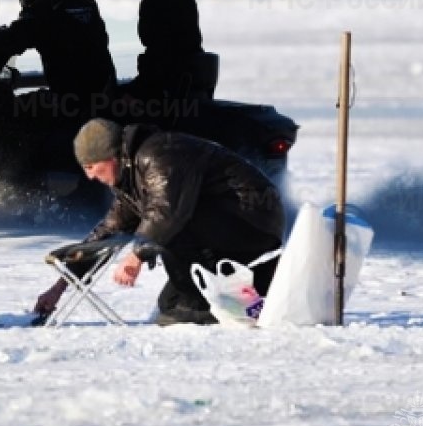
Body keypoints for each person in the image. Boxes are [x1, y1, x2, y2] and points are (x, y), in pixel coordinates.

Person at [34, 118, 284, 325]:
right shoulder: (131, 178)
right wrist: (60, 286)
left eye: (90, 167)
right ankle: (250, 292)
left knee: (173, 241)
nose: (89, 176)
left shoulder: (160, 155)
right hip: (223, 226)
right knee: (171, 306)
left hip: (253, 220)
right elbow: (108, 232)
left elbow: (167, 212)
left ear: (110, 157)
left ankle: (221, 302)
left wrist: (137, 256)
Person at [123, 0, 205, 104]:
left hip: (165, 86)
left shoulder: (155, 2)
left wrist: (136, 91)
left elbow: (160, 55)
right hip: (185, 80)